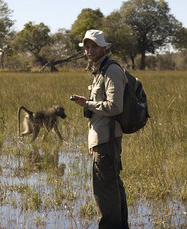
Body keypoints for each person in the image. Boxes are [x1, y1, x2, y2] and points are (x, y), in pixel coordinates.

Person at [71, 30, 130, 229]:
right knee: (113, 187)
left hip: (108, 140)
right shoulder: (100, 70)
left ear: (104, 47)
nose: (89, 50)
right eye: (87, 46)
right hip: (102, 140)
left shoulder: (111, 70)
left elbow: (115, 107)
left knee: (105, 192)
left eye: (94, 46)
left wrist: (87, 104)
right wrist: (93, 142)